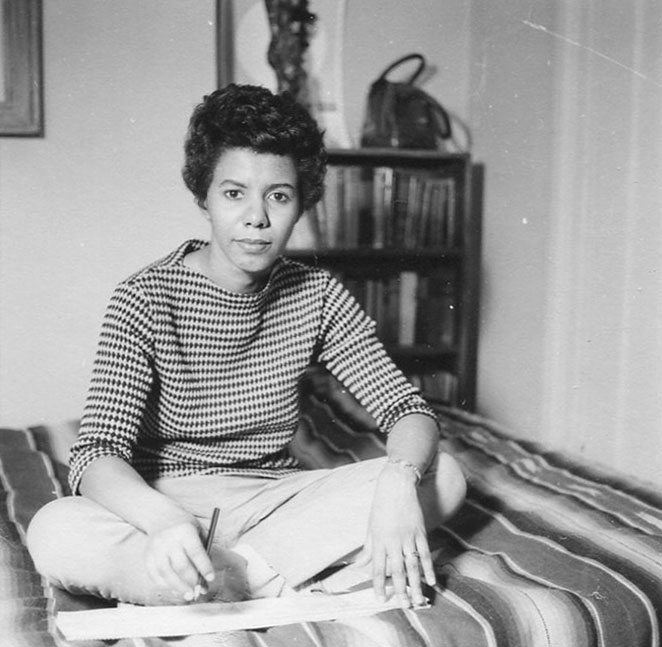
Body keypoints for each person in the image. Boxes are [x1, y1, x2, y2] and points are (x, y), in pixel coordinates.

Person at [26, 84, 466, 609]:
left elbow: (406, 409)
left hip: (273, 501)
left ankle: (227, 582)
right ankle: (282, 574)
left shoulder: (318, 294)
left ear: (301, 204)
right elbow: (97, 453)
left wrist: (398, 479)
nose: (257, 217)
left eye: (278, 196)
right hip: (162, 500)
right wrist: (165, 522)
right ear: (204, 197)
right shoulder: (144, 296)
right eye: (234, 193)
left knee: (444, 476)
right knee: (54, 529)